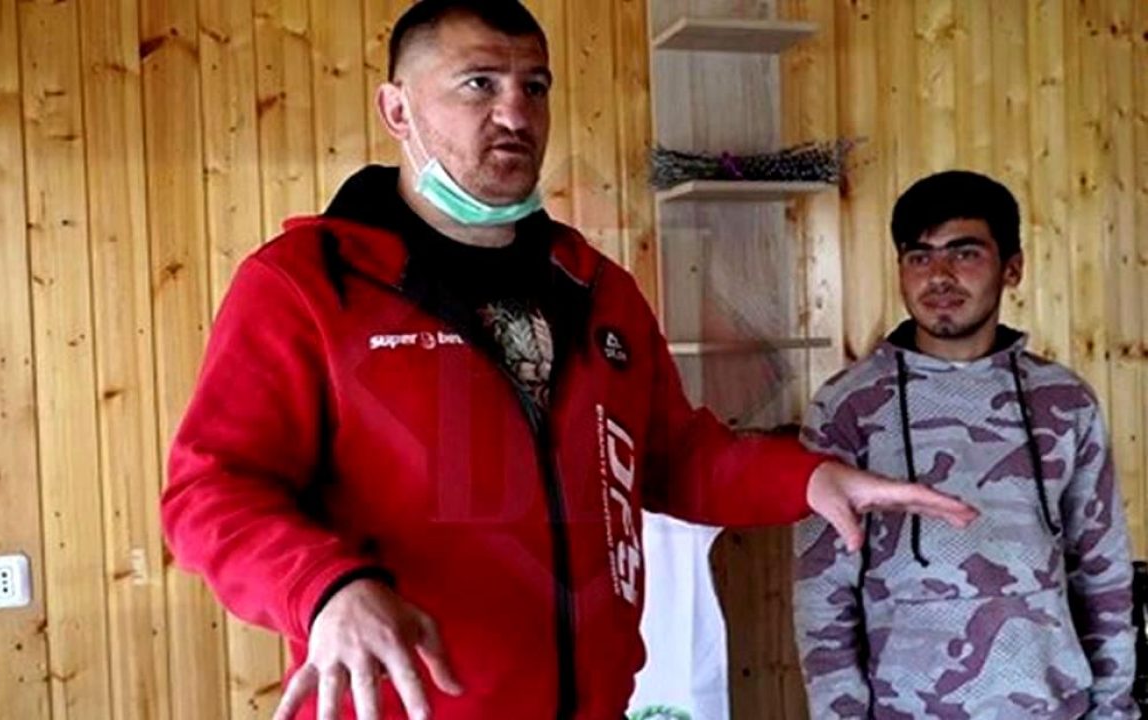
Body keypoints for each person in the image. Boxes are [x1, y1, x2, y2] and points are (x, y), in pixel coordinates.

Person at [161, 3, 976, 719]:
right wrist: (327, 588)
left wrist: (807, 479)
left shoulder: (595, 287)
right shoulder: (308, 283)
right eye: (478, 83)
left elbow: (675, 457)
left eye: (536, 86)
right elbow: (211, 491)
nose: (515, 111)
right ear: (397, 108)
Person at [793, 170, 1138, 718]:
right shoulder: (847, 406)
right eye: (919, 256)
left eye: (965, 252)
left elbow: (1103, 571)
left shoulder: (1064, 401)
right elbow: (822, 593)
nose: (939, 275)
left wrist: (1114, 709)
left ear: (1012, 268)